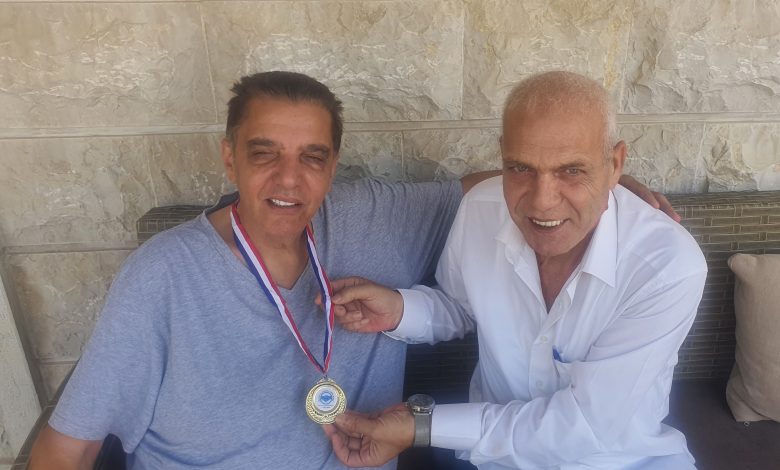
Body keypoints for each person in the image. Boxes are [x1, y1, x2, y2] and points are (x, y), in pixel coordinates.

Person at [28, 71, 675, 469]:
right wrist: (584, 176)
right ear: (229, 158)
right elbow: (65, 448)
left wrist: (606, 185)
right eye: (264, 154)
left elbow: (501, 189)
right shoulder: (160, 275)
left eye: (312, 157)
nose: (289, 180)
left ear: (334, 166)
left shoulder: (372, 217)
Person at [324, 71, 707, 469]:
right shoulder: (480, 210)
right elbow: (462, 306)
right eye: (521, 168)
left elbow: (583, 425)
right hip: (496, 460)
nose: (542, 202)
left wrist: (420, 427)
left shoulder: (667, 266)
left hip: (621, 462)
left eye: (571, 171)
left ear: (615, 165)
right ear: (502, 156)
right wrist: (399, 310)